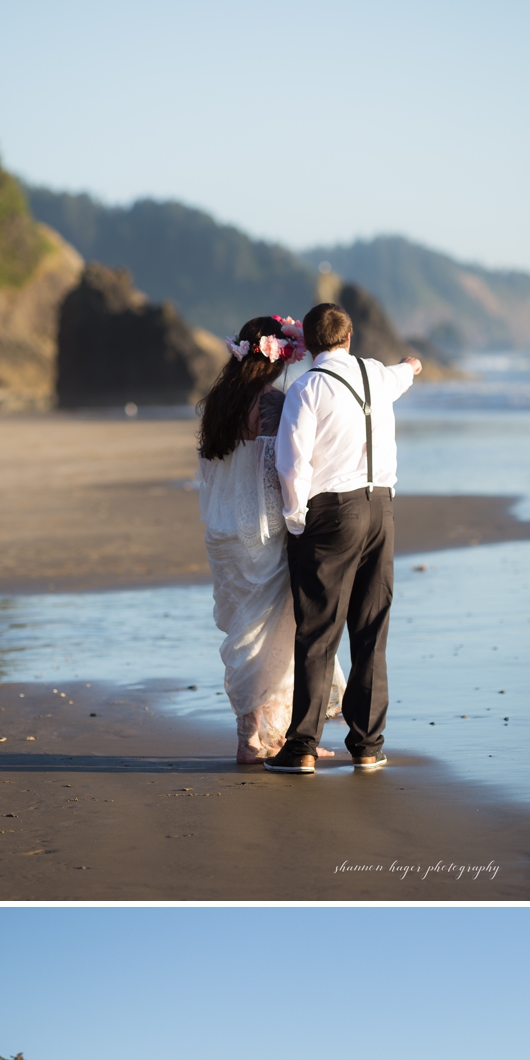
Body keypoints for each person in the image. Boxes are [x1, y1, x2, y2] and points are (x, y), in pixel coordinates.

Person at [264, 302, 422, 776]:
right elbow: (402, 374)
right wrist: (413, 365)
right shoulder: (377, 374)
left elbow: (292, 464)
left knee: (318, 630)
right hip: (382, 510)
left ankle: (303, 746)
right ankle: (369, 745)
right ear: (350, 339)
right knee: (371, 629)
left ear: (309, 345)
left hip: (332, 512)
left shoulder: (309, 387)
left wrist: (296, 520)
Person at [195, 315, 345, 762]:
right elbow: (279, 470)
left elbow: (217, 470)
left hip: (221, 528)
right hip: (259, 528)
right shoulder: (272, 403)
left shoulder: (217, 402)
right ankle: (265, 737)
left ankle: (253, 733)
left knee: (244, 628)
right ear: (277, 357)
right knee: (274, 629)